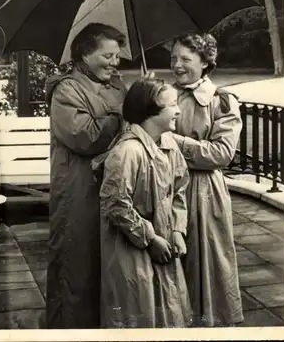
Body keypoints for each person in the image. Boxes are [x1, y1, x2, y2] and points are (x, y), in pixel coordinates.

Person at [45, 23, 128, 328]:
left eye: (117, 56)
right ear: (85, 54)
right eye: (108, 56)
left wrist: (143, 96)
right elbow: (85, 137)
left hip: (111, 187)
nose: (114, 62)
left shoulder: (116, 85)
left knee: (107, 265)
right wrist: (121, 113)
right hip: (79, 191)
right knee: (75, 266)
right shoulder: (66, 89)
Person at [99, 79, 193, 328]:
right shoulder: (128, 151)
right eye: (172, 104)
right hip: (132, 250)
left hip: (165, 242)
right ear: (150, 111)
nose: (179, 110)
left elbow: (180, 189)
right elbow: (115, 204)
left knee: (167, 311)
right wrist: (151, 239)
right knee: (138, 312)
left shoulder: (169, 143)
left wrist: (177, 230)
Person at [170, 32, 244, 327]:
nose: (177, 65)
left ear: (205, 62)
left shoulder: (221, 101)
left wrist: (176, 142)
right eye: (174, 58)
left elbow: (222, 154)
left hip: (202, 191)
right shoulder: (162, 95)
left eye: (185, 59)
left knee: (205, 259)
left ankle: (208, 324)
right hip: (167, 188)